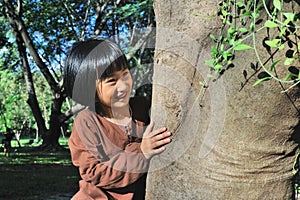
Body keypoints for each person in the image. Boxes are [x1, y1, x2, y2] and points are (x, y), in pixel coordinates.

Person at [63, 38, 172, 200]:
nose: (123, 86)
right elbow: (94, 171)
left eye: (125, 74)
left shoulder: (142, 108)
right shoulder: (86, 122)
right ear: (88, 89)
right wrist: (141, 152)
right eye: (112, 81)